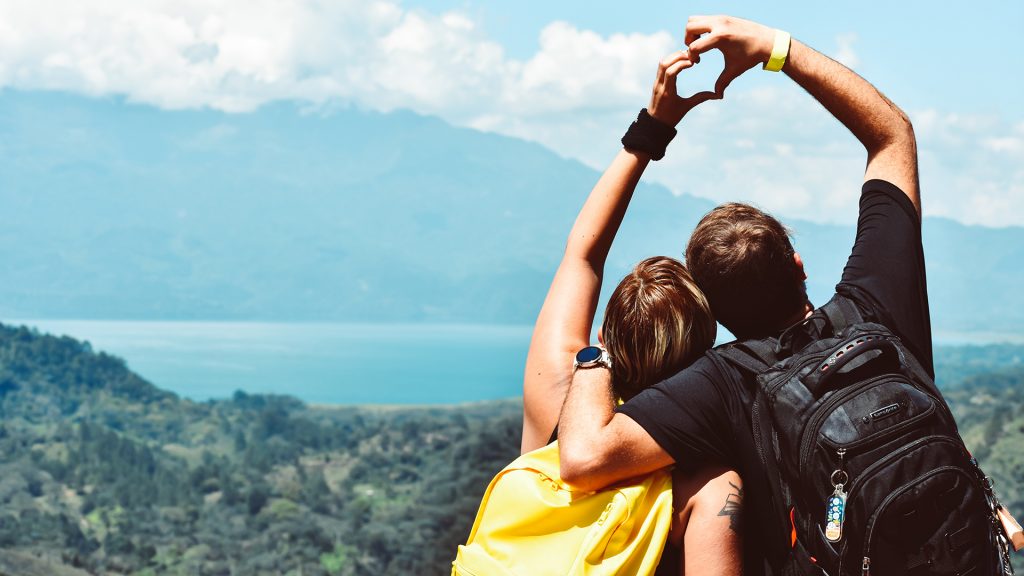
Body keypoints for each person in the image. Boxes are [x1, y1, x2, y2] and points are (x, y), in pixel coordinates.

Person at [556, 14, 930, 573]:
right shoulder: (877, 306)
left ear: (715, 312)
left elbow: (583, 456)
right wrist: (774, 48)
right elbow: (892, 133)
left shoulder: (724, 384)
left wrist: (598, 353)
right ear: (798, 265)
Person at [520, 49, 743, 574]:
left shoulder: (556, 394)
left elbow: (583, 252)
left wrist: (654, 127)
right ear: (703, 352)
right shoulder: (705, 481)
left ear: (605, 334)